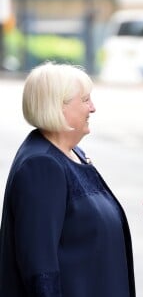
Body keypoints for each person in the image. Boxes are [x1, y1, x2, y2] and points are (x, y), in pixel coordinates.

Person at [0, 62, 136, 297]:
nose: (92, 108)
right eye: (85, 100)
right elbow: (40, 269)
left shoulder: (72, 154)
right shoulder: (42, 165)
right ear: (57, 107)